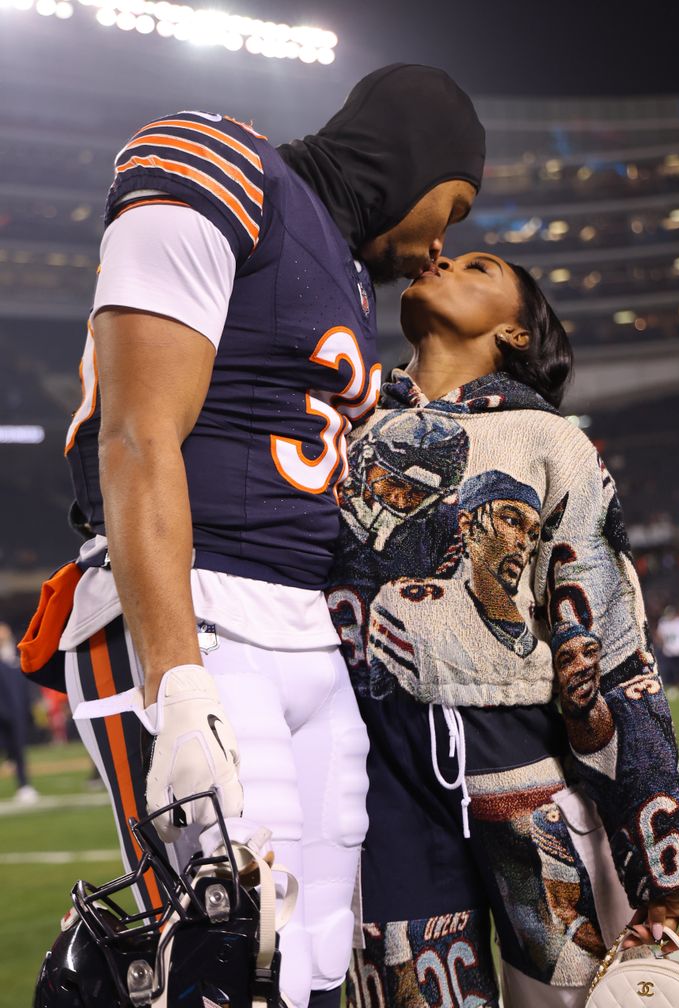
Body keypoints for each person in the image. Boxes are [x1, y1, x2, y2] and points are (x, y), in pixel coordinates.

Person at [17, 64, 485, 1008]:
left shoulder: (348, 271)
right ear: (412, 157)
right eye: (456, 205)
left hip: (301, 626)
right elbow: (137, 434)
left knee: (314, 963)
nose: (442, 243)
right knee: (223, 965)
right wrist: (178, 683)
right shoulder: (227, 161)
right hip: (196, 609)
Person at [326, 251, 679, 1007]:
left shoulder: (550, 441)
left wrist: (659, 864)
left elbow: (613, 655)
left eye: (476, 266)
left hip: (522, 765)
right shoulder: (340, 433)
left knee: (573, 997)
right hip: (378, 773)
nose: (439, 258)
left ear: (514, 332)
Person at [0, 622, 39, 804]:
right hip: (3, 713)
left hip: (17, 713)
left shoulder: (15, 655)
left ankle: (24, 785)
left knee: (19, 752)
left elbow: (25, 685)